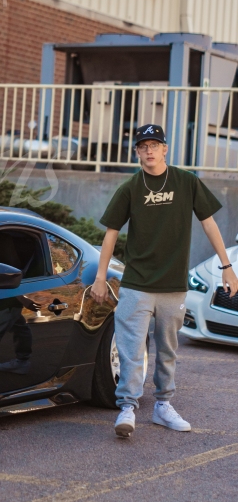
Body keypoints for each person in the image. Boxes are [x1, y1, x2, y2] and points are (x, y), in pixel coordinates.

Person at [90, 123, 238, 439]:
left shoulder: (186, 182)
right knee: (131, 349)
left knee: (168, 350)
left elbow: (209, 223)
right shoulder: (130, 187)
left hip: (172, 285)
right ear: (137, 152)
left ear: (165, 149)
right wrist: (100, 277)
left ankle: (163, 406)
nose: (149, 151)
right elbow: (111, 234)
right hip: (136, 284)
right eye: (143, 146)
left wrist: (227, 266)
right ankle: (127, 407)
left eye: (154, 145)